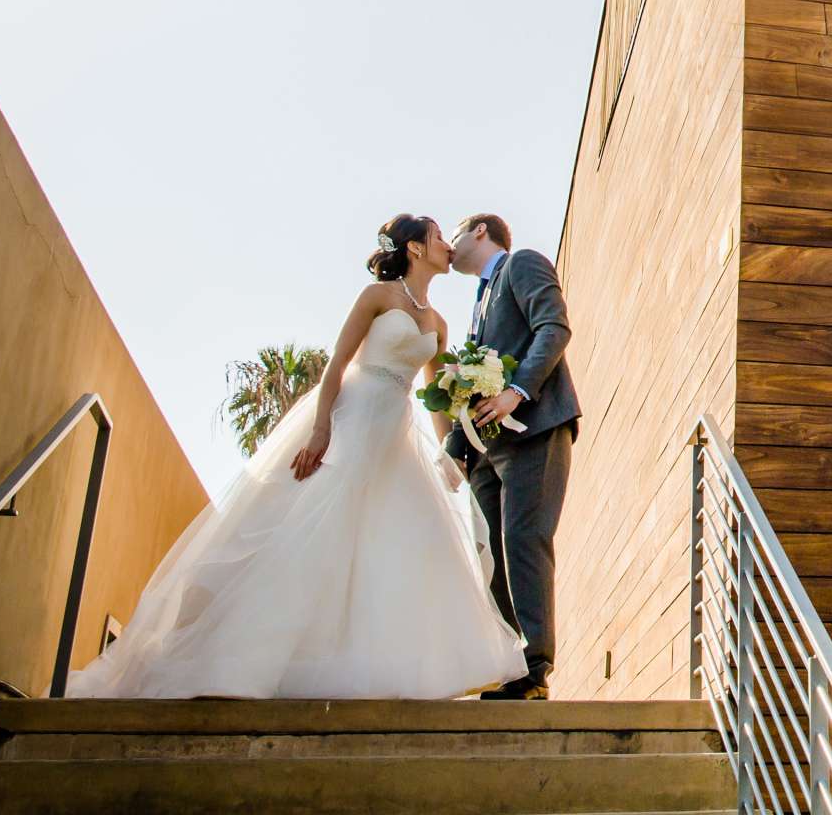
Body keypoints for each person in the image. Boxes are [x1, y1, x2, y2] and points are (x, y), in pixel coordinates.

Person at [67, 215, 527, 699]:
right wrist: (322, 428)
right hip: (352, 417)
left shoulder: (438, 322)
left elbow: (436, 396)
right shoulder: (377, 297)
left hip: (395, 436)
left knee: (388, 542)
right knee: (309, 530)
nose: (446, 246)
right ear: (414, 248)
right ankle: (243, 658)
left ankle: (359, 662)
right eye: (437, 236)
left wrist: (451, 456)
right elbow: (337, 364)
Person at [445, 212, 579, 701]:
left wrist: (517, 391)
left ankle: (533, 665)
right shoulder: (478, 303)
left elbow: (553, 327)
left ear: (479, 232)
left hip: (535, 429)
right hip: (486, 450)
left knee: (525, 539)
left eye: (453, 234)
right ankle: (506, 662)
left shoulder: (521, 264)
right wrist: (454, 450)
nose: (448, 244)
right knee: (492, 554)